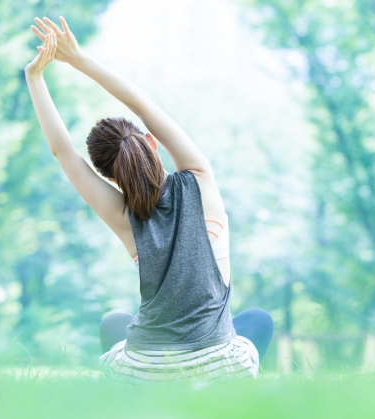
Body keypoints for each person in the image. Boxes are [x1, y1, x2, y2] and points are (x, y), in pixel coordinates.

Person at [25, 16, 273, 382]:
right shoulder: (200, 180)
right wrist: (78, 60)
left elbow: (63, 152)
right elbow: (143, 106)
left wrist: (34, 77)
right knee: (258, 321)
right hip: (222, 367)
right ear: (152, 144)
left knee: (114, 323)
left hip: (144, 374)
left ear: (110, 177)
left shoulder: (124, 216)